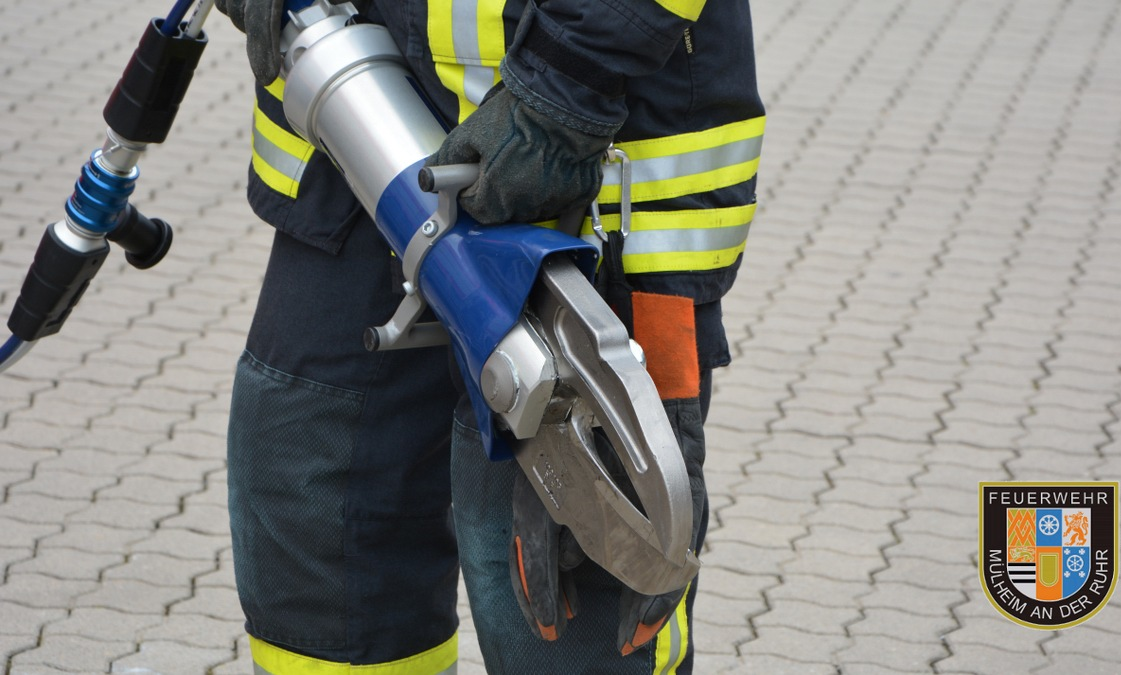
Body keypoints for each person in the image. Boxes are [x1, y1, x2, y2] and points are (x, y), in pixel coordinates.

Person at [216, 0, 764, 672]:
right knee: (314, 538)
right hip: (352, 129)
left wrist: (565, 84)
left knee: (569, 610)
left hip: (582, 173)